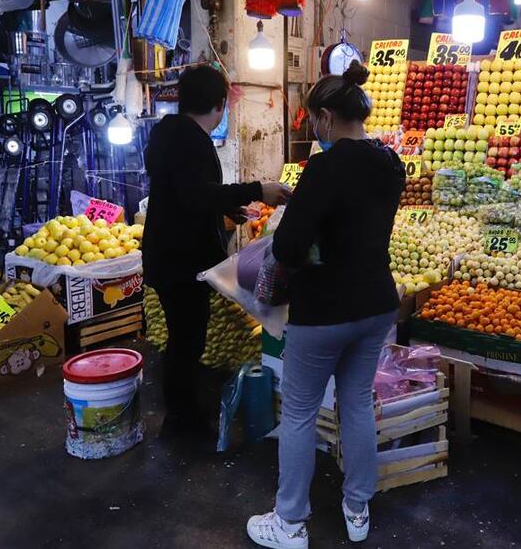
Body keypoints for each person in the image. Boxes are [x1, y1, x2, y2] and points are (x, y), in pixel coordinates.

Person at [247, 61, 406, 548]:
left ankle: (290, 522)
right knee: (355, 403)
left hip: (325, 310)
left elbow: (290, 247)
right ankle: (357, 509)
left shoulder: (323, 167)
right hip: (377, 302)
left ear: (325, 117)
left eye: (313, 118)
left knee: (299, 412)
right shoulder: (390, 163)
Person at [143, 65, 291, 444]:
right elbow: (196, 194)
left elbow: (186, 194)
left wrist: (226, 208)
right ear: (219, 104)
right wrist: (258, 189)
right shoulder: (191, 140)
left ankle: (182, 414)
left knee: (183, 338)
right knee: (186, 341)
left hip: (167, 254)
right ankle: (182, 422)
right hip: (181, 260)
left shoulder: (168, 133)